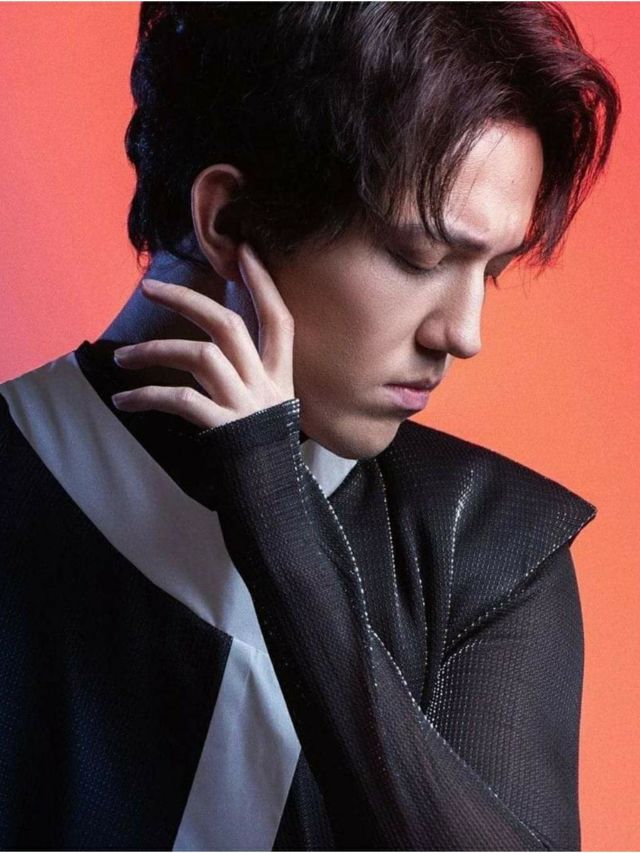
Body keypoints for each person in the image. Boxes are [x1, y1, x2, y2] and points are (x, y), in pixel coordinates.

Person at [0, 2, 620, 850]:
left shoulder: (486, 541)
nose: (464, 333)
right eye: (421, 258)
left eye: (492, 270)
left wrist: (282, 526)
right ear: (229, 220)